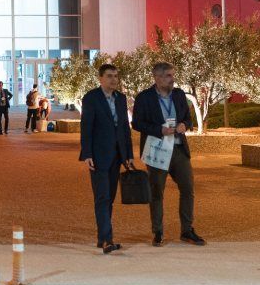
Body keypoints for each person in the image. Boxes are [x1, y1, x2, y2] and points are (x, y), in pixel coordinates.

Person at [132, 62, 206, 247]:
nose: (172, 79)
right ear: (157, 78)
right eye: (168, 76)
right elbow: (137, 124)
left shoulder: (179, 95)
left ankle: (187, 230)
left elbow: (187, 119)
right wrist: (159, 129)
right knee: (156, 193)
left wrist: (184, 125)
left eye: (173, 75)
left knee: (188, 189)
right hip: (157, 150)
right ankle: (157, 232)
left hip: (179, 149)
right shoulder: (144, 97)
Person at [80, 64, 135, 253]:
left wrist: (128, 155)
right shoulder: (91, 98)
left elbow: (125, 129)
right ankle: (107, 239)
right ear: (100, 78)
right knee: (102, 197)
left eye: (116, 76)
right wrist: (86, 153)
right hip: (98, 156)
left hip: (117, 156)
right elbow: (86, 127)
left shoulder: (121, 99)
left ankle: (102, 237)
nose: (114, 79)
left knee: (109, 198)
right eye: (110, 76)